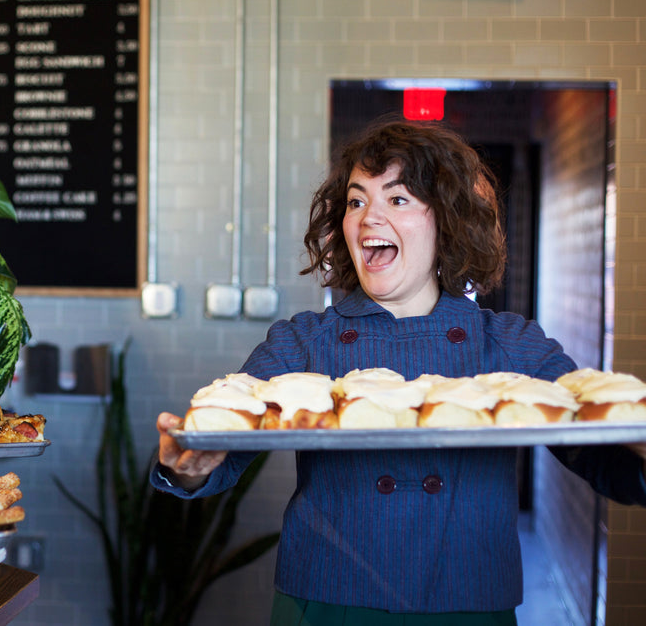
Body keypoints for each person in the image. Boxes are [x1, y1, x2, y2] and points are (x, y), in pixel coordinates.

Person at [152, 119, 646, 625]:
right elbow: (220, 454)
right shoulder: (302, 341)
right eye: (357, 200)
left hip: (469, 601)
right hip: (327, 602)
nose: (369, 218)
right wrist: (185, 469)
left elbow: (604, 457)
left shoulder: (510, 343)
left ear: (447, 220)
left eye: (398, 199)